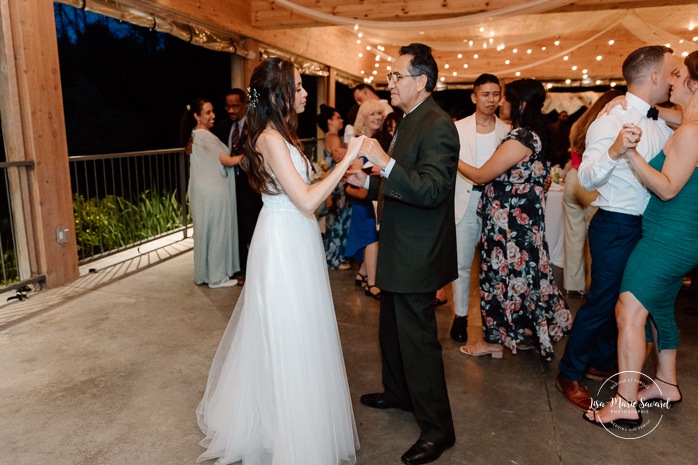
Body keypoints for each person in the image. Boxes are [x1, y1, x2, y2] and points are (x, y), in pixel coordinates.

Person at [196, 57, 363, 464]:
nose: (306, 93)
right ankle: (287, 433)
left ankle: (289, 420)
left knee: (302, 329)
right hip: (283, 241)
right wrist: (346, 160)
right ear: (279, 93)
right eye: (300, 86)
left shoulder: (282, 135)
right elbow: (306, 199)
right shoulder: (270, 139)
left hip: (296, 235)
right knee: (287, 333)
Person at [347, 43, 459, 465]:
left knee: (419, 342)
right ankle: (397, 393)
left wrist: (384, 164)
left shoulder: (438, 125)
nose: (389, 84)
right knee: (391, 329)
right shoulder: (411, 120)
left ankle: (438, 429)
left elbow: (431, 190)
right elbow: (404, 185)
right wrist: (369, 182)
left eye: (396, 77)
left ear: (421, 82)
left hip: (417, 251)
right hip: (399, 244)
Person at [556, 45, 676, 411]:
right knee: (602, 302)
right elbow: (589, 176)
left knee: (632, 301)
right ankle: (569, 371)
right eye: (670, 73)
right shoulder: (610, 121)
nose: (672, 80)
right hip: (617, 225)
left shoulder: (659, 119)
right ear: (654, 76)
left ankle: (605, 362)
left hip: (650, 227)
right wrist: (615, 150)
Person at [584, 51, 698, 427]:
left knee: (628, 310)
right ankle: (666, 383)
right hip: (675, 235)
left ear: (693, 85)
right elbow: (668, 113)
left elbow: (666, 190)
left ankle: (624, 402)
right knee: (660, 307)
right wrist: (627, 102)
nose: (671, 80)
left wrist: (628, 152)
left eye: (679, 75)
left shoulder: (692, 131)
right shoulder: (687, 121)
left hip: (668, 237)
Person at [457, 79, 572, 361]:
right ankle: (524, 334)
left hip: (509, 228)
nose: (500, 103)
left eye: (505, 98)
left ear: (520, 103)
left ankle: (493, 342)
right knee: (523, 279)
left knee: (499, 280)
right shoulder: (535, 135)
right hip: (523, 225)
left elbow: (482, 175)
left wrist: (451, 158)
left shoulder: (521, 137)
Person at [448, 73, 511, 343]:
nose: (491, 99)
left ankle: (493, 320)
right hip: (465, 200)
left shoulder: (508, 131)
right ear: (474, 97)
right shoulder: (457, 128)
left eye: (496, 94)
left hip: (496, 205)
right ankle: (460, 316)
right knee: (461, 264)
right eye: (485, 94)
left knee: (494, 266)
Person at [562, 90, 622, 295]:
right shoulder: (607, 124)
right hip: (592, 184)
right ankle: (590, 287)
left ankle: (572, 286)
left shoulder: (578, 124)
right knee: (593, 239)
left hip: (572, 180)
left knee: (572, 236)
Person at [180, 98, 240, 288]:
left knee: (205, 232)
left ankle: (205, 274)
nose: (213, 115)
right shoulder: (204, 136)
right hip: (213, 191)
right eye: (207, 112)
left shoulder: (196, 134)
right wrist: (253, 154)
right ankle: (216, 277)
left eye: (213, 111)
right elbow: (227, 161)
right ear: (197, 116)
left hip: (203, 190)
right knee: (217, 232)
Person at [213, 88, 263, 282]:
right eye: (228, 106)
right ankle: (240, 267)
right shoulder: (222, 127)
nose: (231, 110)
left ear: (245, 105)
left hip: (250, 187)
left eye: (235, 106)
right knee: (236, 227)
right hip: (228, 185)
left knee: (251, 226)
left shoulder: (254, 126)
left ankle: (256, 268)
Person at [344, 99, 388, 299]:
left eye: (379, 114)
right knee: (372, 239)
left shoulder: (382, 142)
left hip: (376, 197)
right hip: (362, 201)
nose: (378, 117)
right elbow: (351, 177)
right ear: (363, 118)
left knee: (374, 238)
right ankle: (372, 284)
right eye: (372, 114)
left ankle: (362, 273)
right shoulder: (357, 143)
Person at [316, 104, 352, 270]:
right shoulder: (334, 138)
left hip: (333, 183)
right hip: (338, 183)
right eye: (337, 118)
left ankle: (331, 256)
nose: (341, 120)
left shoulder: (327, 137)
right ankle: (335, 258)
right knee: (340, 220)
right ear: (330, 121)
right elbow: (341, 160)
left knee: (334, 220)